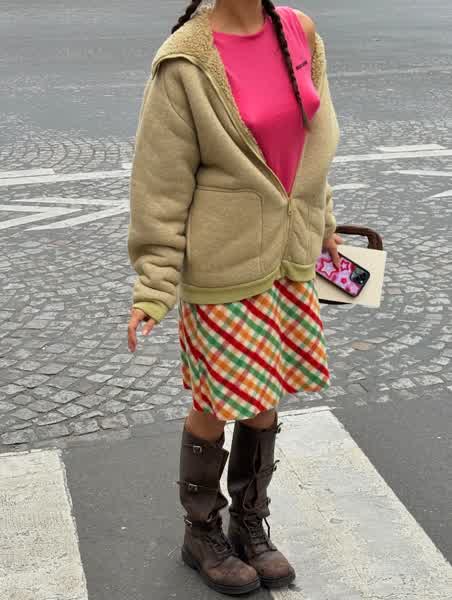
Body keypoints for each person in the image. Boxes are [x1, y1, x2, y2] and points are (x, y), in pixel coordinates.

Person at [127, 1, 342, 595]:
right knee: (217, 396)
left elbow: (312, 142)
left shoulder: (300, 31)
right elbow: (160, 182)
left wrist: (324, 221)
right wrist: (154, 285)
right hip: (223, 261)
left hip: (287, 256)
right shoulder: (185, 60)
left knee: (265, 393)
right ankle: (201, 533)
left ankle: (249, 524)